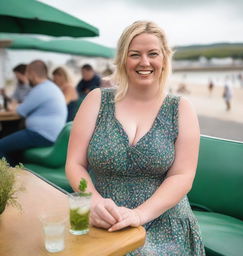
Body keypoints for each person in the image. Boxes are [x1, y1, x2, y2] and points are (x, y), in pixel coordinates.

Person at [66, 21, 205, 255]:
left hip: (165, 222)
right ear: (122, 59)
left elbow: (183, 176)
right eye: (135, 54)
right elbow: (75, 164)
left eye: (153, 54)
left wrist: (139, 215)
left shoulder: (181, 109)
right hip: (104, 218)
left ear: (164, 59)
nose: (144, 62)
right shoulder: (96, 101)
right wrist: (93, 202)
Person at [0, 60, 67, 166]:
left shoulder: (41, 89)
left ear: (32, 73)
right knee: (11, 146)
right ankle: (16, 170)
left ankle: (13, 175)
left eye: (27, 74)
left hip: (41, 134)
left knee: (1, 146)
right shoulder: (49, 87)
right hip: (47, 134)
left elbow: (20, 111)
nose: (26, 78)